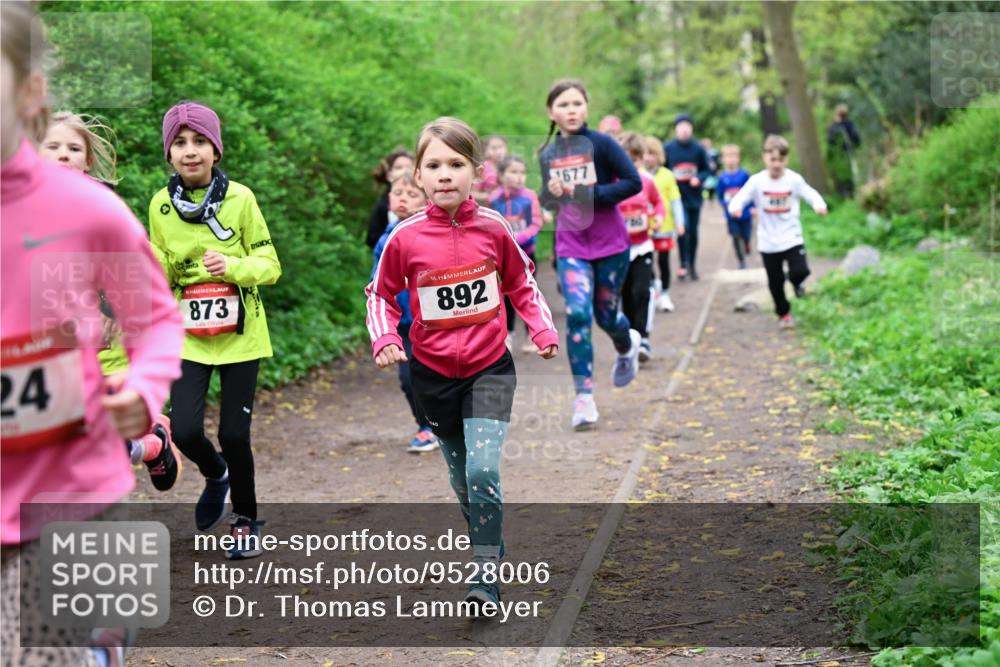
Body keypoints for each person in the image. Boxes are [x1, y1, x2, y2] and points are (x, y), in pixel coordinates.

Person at [2, 4, 184, 665]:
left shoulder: (84, 208)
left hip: (70, 492)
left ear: (28, 93)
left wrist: (142, 388)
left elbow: (158, 317)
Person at [366, 116, 558, 610]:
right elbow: (380, 295)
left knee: (481, 471)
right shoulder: (405, 237)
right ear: (418, 178)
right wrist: (385, 334)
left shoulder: (494, 227)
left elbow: (521, 282)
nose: (445, 174)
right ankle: (490, 546)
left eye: (456, 164)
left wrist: (540, 327)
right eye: (434, 165)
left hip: (490, 366)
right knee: (461, 481)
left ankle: (485, 575)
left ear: (477, 172)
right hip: (433, 374)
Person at [150, 101, 282, 559]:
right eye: (180, 143)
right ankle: (216, 474)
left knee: (234, 433)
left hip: (242, 335)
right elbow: (160, 270)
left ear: (216, 150)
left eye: (200, 141)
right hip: (188, 335)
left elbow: (269, 265)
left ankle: (246, 519)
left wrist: (233, 265)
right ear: (169, 154)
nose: (190, 151)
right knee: (184, 431)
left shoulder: (241, 199)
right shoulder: (161, 205)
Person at [39, 111, 182, 489]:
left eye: (73, 148)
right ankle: (149, 446)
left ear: (87, 160)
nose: (63, 154)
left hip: (106, 347)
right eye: (52, 146)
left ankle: (148, 445)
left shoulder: (104, 209)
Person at [538, 79, 643, 430]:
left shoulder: (603, 143)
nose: (571, 110)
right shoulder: (547, 153)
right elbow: (550, 200)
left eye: (577, 104)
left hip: (610, 243)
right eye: (563, 105)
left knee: (606, 316)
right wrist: (551, 194)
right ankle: (583, 398)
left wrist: (590, 193)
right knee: (578, 314)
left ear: (586, 107)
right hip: (571, 244)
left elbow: (633, 182)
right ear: (551, 112)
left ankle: (627, 343)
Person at [727, 135, 828, 329]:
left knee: (800, 270)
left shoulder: (793, 179)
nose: (776, 164)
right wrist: (735, 208)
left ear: (786, 160)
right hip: (768, 241)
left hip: (791, 237)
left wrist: (819, 205)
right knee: (775, 281)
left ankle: (797, 283)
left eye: (780, 160)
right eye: (772, 159)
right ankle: (784, 314)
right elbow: (740, 198)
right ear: (765, 158)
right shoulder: (757, 181)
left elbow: (810, 193)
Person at [371, 170, 439, 453]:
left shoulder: (433, 235)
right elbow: (377, 286)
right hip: (403, 326)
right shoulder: (384, 241)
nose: (403, 199)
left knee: (438, 375)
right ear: (389, 200)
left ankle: (451, 421)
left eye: (411, 195)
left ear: (425, 201)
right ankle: (426, 427)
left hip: (435, 323)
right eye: (398, 194)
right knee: (408, 379)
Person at [617, 132, 664, 363]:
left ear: (642, 159)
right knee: (625, 294)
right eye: (626, 160)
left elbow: (658, 203)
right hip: (620, 250)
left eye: (635, 160)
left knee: (642, 291)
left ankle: (643, 337)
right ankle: (630, 337)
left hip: (643, 246)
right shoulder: (613, 183)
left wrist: (658, 218)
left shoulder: (647, 181)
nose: (631, 165)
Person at [489, 155, 543, 353]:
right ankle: (509, 334)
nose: (519, 177)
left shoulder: (529, 197)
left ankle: (533, 335)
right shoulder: (494, 198)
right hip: (504, 258)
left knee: (528, 294)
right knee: (506, 295)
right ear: (501, 175)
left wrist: (516, 238)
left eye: (522, 172)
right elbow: (492, 225)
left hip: (527, 255)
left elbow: (536, 223)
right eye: (513, 172)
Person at [664, 113, 711, 281]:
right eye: (680, 126)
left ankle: (692, 264)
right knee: (683, 230)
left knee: (694, 231)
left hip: (694, 197)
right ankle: (683, 263)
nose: (684, 129)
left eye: (687, 126)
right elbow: (663, 170)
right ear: (676, 129)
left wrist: (699, 178)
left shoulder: (698, 148)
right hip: (677, 197)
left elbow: (707, 169)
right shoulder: (668, 148)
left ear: (691, 128)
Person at [643, 135, 685, 313]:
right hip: (644, 228)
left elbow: (675, 201)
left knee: (664, 261)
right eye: (645, 153)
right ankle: (655, 289)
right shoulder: (637, 175)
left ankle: (666, 293)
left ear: (659, 155)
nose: (648, 158)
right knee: (647, 262)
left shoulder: (667, 175)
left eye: (652, 153)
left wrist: (680, 223)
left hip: (665, 227)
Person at [365, 147, 414, 248]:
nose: (404, 171)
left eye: (409, 167)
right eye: (399, 167)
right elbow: (371, 238)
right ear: (389, 174)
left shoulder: (425, 199)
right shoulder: (382, 206)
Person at [716, 144, 754, 269]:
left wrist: (752, 207)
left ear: (738, 158)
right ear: (723, 159)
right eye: (728, 157)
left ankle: (747, 243)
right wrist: (725, 206)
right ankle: (741, 260)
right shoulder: (722, 178)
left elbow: (751, 192)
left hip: (745, 213)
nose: (731, 160)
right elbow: (720, 195)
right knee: (735, 235)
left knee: (746, 234)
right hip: (731, 214)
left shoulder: (744, 175)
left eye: (733, 156)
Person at [826, 103, 861, 198]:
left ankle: (846, 198)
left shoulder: (834, 127)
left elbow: (829, 143)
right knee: (849, 178)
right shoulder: (849, 125)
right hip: (848, 155)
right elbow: (857, 141)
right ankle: (851, 197)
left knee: (842, 179)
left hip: (840, 157)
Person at [474, 134, 507, 204]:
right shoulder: (483, 168)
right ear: (486, 151)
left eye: (501, 147)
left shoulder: (509, 165)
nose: (498, 151)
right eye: (493, 148)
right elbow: (472, 193)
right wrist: (490, 196)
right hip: (487, 208)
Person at [701, 137, 720, 204]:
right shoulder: (701, 152)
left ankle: (710, 199)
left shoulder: (714, 152)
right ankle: (704, 199)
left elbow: (718, 162)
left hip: (713, 173)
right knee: (705, 186)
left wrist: (717, 168)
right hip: (704, 172)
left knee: (712, 187)